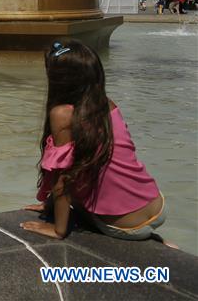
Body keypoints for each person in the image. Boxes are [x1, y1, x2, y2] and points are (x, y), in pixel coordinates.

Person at [21, 40, 166, 241]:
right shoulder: (107, 104)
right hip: (156, 205)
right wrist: (50, 202)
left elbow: (62, 176)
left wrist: (57, 229)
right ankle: (157, 240)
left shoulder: (62, 114)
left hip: (124, 227)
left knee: (75, 193)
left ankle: (151, 239)